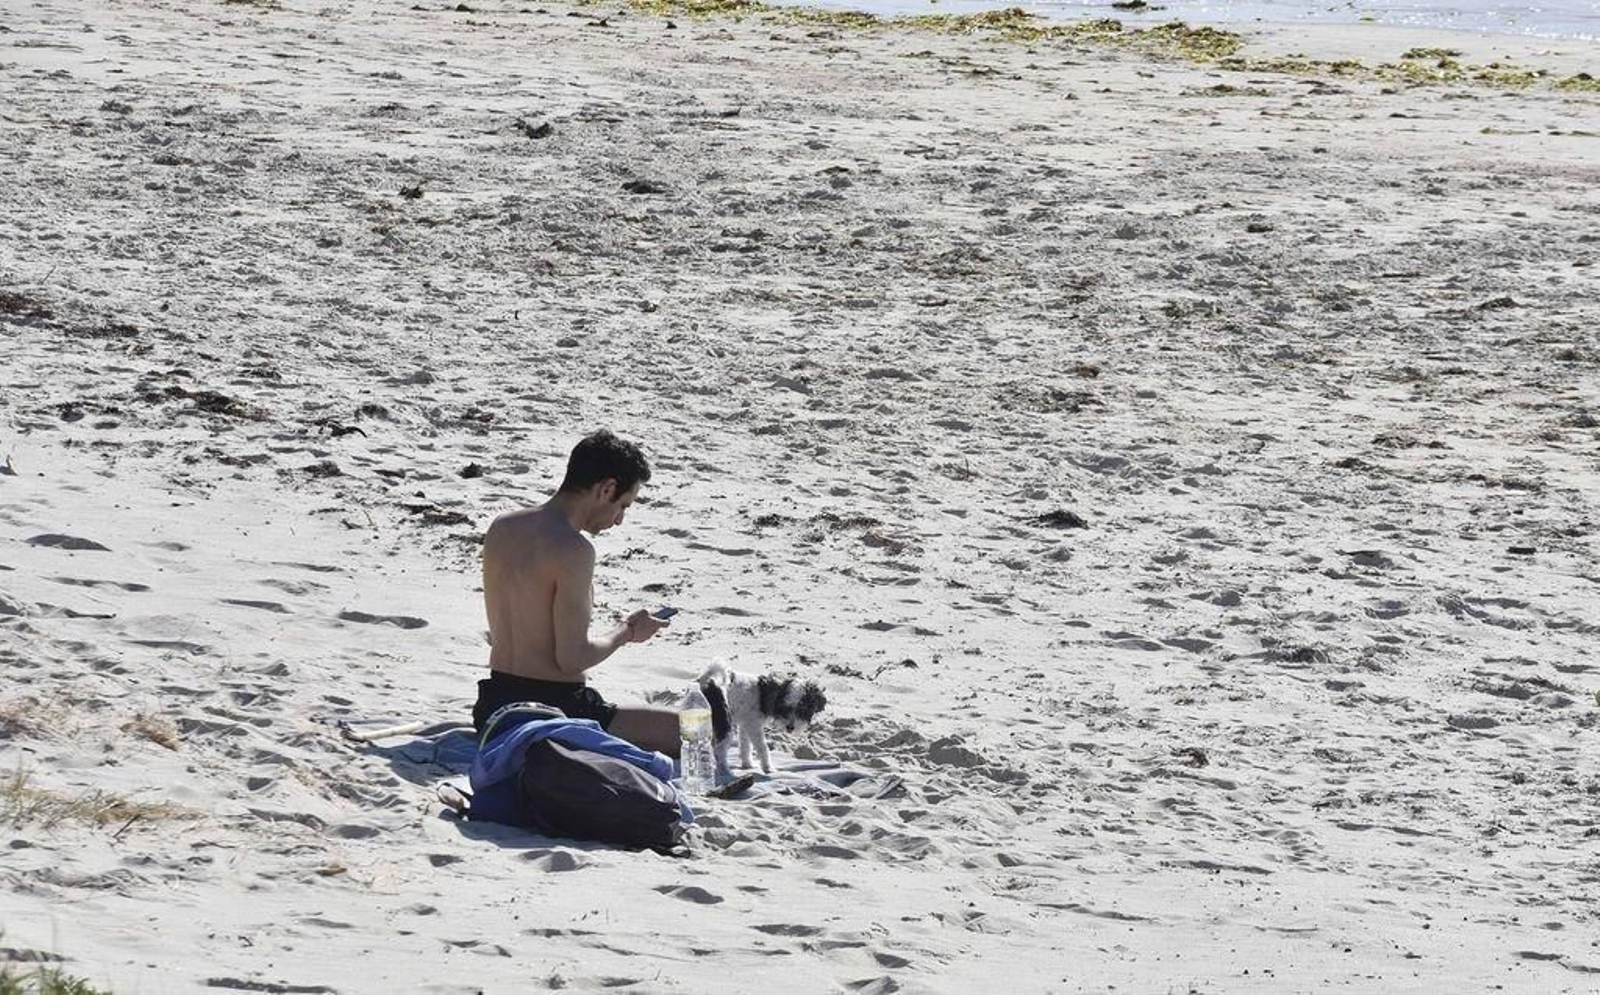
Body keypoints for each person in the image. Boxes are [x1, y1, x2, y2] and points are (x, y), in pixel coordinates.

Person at [472, 430, 679, 756]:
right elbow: (571, 660)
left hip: (492, 707)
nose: (620, 519)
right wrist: (628, 631)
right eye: (623, 505)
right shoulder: (573, 549)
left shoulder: (503, 526)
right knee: (695, 731)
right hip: (554, 710)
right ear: (606, 488)